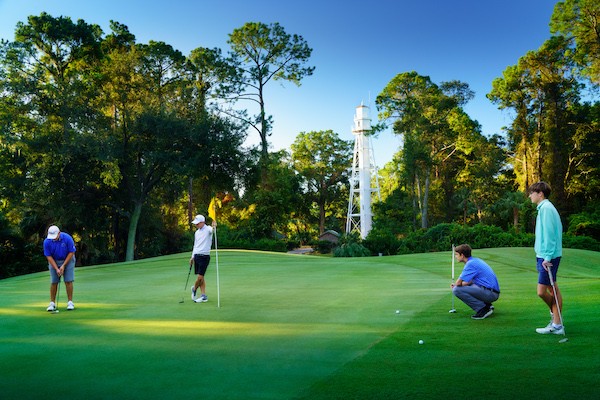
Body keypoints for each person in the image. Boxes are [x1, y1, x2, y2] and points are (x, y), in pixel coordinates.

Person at [528, 181, 564, 335]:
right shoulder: (543, 209)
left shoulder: (547, 209)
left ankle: (556, 318)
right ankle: (557, 322)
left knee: (542, 291)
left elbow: (550, 235)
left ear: (540, 193)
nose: (530, 195)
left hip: (548, 257)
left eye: (532, 193)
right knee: (551, 288)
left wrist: (547, 257)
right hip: (543, 255)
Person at [451, 244, 500, 319]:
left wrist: (455, 285)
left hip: (490, 293)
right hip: (491, 292)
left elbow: (458, 283)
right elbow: (469, 282)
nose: (455, 256)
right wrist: (458, 285)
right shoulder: (475, 261)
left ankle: (483, 309)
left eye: (457, 254)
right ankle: (487, 305)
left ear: (462, 255)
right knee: (463, 286)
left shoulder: (470, 264)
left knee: (456, 290)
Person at [43, 225, 76, 311]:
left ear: (59, 233)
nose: (53, 238)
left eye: (55, 236)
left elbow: (71, 252)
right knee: (54, 281)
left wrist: (63, 265)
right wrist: (57, 268)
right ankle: (52, 303)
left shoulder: (67, 238)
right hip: (54, 260)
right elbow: (48, 256)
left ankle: (70, 302)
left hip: (68, 260)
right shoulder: (47, 241)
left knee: (68, 280)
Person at [189, 214, 214, 303]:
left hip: (205, 256)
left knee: (200, 277)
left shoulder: (208, 229)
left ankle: (194, 289)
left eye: (197, 223)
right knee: (201, 278)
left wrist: (214, 226)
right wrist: (192, 257)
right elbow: (195, 246)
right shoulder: (197, 232)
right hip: (197, 256)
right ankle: (203, 296)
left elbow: (212, 230)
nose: (196, 225)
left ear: (202, 222)